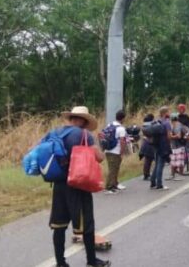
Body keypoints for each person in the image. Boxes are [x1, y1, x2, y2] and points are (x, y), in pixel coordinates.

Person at [49, 106, 109, 267]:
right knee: (87, 224)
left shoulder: (55, 132)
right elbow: (99, 158)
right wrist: (99, 145)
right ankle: (91, 261)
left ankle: (60, 263)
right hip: (78, 184)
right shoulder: (84, 134)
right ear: (83, 120)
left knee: (59, 226)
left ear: (71, 118)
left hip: (59, 185)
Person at [103, 110, 128, 194]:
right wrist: (122, 152)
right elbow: (122, 141)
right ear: (123, 118)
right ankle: (108, 187)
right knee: (113, 169)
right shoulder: (121, 129)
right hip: (116, 151)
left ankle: (114, 184)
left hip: (107, 150)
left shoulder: (109, 125)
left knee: (114, 168)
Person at [150, 106, 172, 190]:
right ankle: (159, 184)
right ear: (165, 113)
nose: (169, 113)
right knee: (160, 165)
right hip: (164, 146)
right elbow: (169, 136)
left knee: (157, 164)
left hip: (156, 145)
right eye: (168, 112)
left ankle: (153, 182)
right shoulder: (166, 123)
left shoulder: (156, 121)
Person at [139, 113, 156, 181]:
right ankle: (146, 174)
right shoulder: (150, 126)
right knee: (148, 160)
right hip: (149, 144)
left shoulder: (144, 125)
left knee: (148, 160)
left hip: (145, 144)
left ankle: (147, 174)